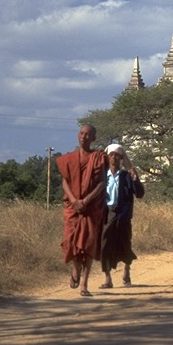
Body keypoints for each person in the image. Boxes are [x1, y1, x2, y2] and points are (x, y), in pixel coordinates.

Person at [56, 123, 108, 297]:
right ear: (78, 135)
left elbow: (102, 183)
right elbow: (65, 181)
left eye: (88, 135)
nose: (84, 137)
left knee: (89, 245)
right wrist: (74, 200)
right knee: (72, 242)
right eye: (81, 133)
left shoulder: (99, 157)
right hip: (73, 208)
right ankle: (76, 269)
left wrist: (86, 200)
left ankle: (84, 284)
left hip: (92, 207)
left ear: (93, 138)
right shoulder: (69, 158)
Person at [99, 143, 145, 288]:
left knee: (125, 242)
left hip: (123, 214)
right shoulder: (101, 176)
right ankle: (107, 278)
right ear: (107, 157)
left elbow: (139, 194)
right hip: (107, 213)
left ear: (121, 158)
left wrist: (135, 179)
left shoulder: (126, 176)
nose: (114, 158)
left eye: (117, 155)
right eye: (111, 155)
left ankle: (127, 271)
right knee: (104, 244)